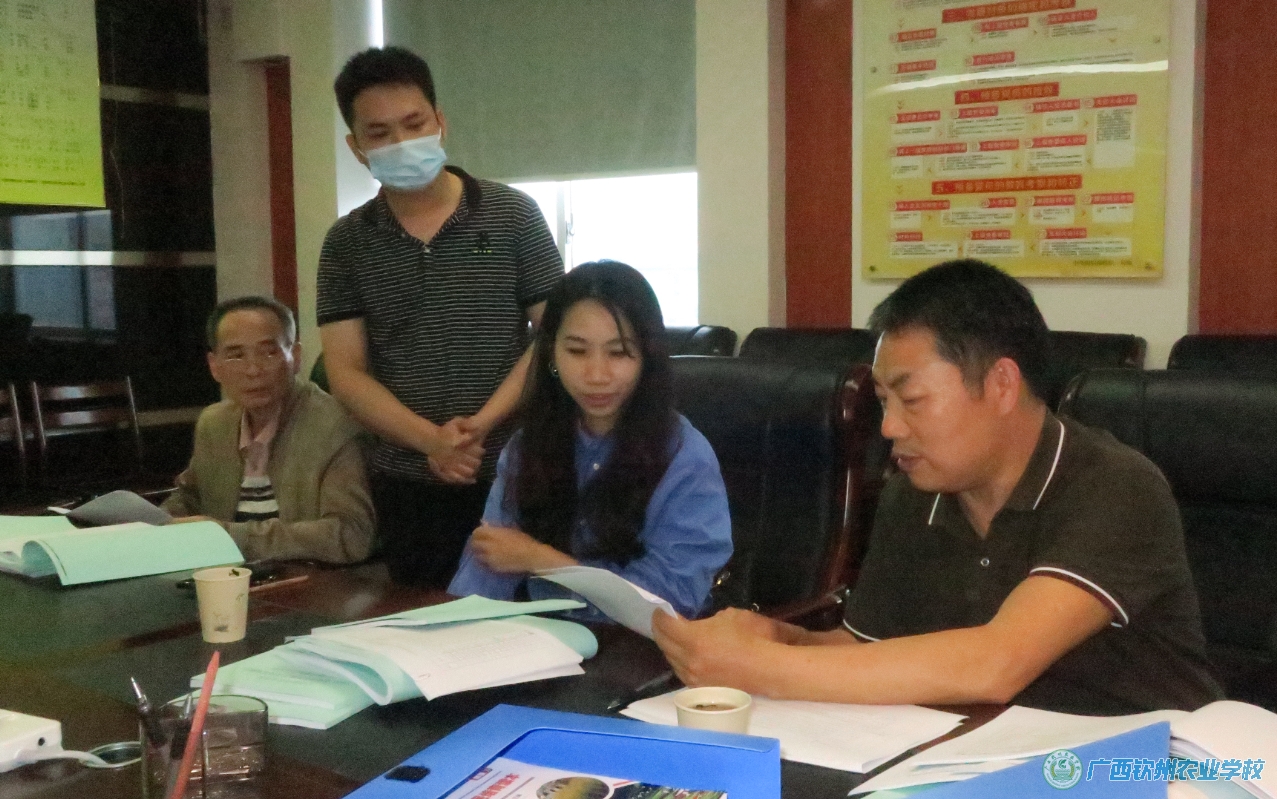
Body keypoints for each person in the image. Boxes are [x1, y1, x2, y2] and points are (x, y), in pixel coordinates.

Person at [653, 260, 1224, 714]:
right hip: (979, 758)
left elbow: (995, 664)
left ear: (1001, 384)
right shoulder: (914, 490)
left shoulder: (1115, 487)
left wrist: (758, 670)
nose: (889, 428)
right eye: (883, 401)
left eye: (913, 399)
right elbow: (868, 651)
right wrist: (776, 639)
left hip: (1149, 766)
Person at [316, 47, 565, 587]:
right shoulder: (346, 243)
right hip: (407, 482)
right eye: (380, 133)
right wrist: (431, 442)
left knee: (527, 621)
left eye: (414, 124)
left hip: (517, 469)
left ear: (440, 122)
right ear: (356, 147)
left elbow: (554, 337)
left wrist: (480, 426)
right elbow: (345, 373)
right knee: (422, 620)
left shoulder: (513, 214)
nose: (402, 143)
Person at [447, 261, 733, 619]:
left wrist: (542, 560)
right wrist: (455, 629)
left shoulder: (685, 457)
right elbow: (490, 559)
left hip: (644, 645)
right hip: (546, 638)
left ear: (647, 358)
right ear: (551, 355)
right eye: (577, 351)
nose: (597, 375)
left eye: (618, 352)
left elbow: (670, 600)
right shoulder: (527, 446)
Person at [164, 296, 375, 564]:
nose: (253, 370)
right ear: (214, 366)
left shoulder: (335, 425)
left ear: (295, 357)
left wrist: (228, 536)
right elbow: (188, 499)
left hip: (309, 579)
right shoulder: (214, 424)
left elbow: (350, 535)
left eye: (269, 352)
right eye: (236, 355)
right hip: (227, 575)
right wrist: (148, 525)